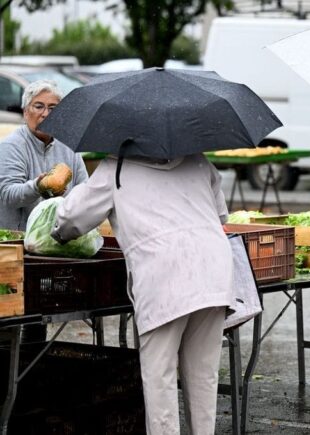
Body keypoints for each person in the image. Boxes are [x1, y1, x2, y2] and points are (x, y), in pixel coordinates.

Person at [51, 153, 233, 434]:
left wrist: (56, 232)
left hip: (163, 277)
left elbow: (73, 218)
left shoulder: (116, 165)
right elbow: (221, 214)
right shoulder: (196, 158)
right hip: (213, 270)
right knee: (203, 376)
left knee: (160, 378)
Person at [0, 79, 87, 343]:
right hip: (15, 246)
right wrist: (39, 185)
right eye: (39, 106)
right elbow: (7, 194)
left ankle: (29, 371)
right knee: (10, 316)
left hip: (52, 248)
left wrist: (67, 198)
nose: (45, 113)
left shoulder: (69, 147)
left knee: (39, 315)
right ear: (26, 111)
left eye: (53, 107)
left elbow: (85, 190)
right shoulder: (12, 145)